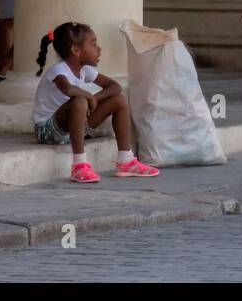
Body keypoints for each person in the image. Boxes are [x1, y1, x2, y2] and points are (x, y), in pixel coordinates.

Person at [33, 21, 160, 183]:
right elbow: (68, 90)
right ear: (76, 50)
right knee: (79, 101)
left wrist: (94, 99)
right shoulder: (58, 71)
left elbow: (115, 87)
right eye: (93, 44)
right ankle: (79, 166)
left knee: (118, 101)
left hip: (73, 125)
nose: (99, 49)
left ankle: (126, 160)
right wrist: (88, 97)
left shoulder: (85, 70)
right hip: (47, 131)